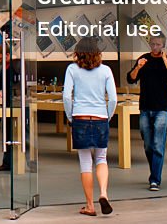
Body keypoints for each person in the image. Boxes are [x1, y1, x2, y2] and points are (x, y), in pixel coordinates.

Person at [64, 38, 117, 217]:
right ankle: (103, 193)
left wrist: (70, 116)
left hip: (80, 117)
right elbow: (114, 98)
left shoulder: (72, 69)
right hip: (100, 117)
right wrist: (107, 116)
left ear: (78, 52)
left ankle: (90, 206)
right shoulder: (106, 70)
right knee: (101, 158)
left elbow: (66, 97)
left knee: (85, 162)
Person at [126, 34, 167, 192]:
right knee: (148, 144)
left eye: (158, 44)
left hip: (162, 107)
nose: (155, 47)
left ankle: (155, 179)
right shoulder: (143, 59)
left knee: (158, 144)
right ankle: (154, 171)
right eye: (153, 44)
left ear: (163, 46)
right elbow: (130, 78)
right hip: (145, 106)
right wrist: (138, 67)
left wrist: (164, 59)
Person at [0, 49, 21, 171]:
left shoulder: (17, 66)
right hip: (6, 104)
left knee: (21, 133)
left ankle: (26, 162)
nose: (0, 60)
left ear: (7, 55)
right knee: (7, 133)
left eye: (1, 57)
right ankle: (7, 162)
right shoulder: (2, 67)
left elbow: (18, 84)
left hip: (16, 104)